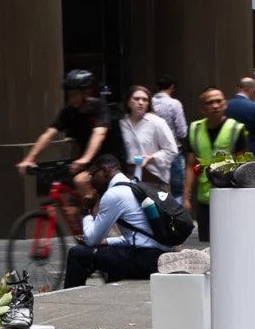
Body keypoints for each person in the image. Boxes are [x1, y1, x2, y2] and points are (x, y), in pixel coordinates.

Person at [60, 153, 169, 288]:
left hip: (146, 261)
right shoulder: (133, 185)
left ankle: (72, 298)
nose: (91, 182)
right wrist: (107, 241)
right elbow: (137, 237)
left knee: (77, 254)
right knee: (109, 251)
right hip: (157, 256)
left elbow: (91, 239)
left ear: (105, 171)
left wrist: (86, 210)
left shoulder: (113, 195)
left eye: (92, 175)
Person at [16, 70, 109, 179]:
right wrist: (29, 158)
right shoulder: (69, 110)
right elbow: (48, 134)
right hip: (85, 159)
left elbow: (99, 134)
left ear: (86, 93)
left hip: (109, 158)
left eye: (75, 94)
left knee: (81, 181)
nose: (71, 98)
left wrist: (86, 158)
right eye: (69, 94)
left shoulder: (99, 107)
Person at [184, 87, 245, 244]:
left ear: (225, 104)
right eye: (210, 102)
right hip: (204, 199)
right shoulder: (194, 130)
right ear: (202, 108)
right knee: (207, 243)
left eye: (218, 101)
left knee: (229, 241)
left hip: (229, 196)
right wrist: (186, 198)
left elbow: (243, 166)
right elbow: (190, 165)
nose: (215, 105)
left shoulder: (236, 129)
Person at [116, 85, 179, 194]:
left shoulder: (157, 122)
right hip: (128, 177)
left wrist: (151, 158)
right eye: (136, 99)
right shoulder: (122, 124)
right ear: (128, 102)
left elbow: (171, 150)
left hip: (154, 178)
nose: (140, 102)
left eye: (145, 100)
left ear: (149, 103)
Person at [150, 75, 191, 195]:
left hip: (152, 152)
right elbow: (182, 132)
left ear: (157, 87)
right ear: (172, 87)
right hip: (173, 151)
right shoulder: (174, 104)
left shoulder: (149, 103)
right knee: (177, 190)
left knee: (155, 189)